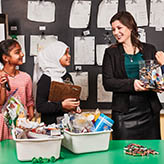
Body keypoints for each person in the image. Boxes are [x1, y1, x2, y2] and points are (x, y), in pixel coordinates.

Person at [102, 11, 162, 140]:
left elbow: (157, 79)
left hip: (149, 111)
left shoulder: (150, 49)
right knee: (123, 155)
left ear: (130, 27)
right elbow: (107, 83)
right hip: (123, 112)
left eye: (119, 28)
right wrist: (132, 84)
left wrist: (162, 66)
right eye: (113, 29)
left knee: (151, 155)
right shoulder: (110, 52)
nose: (116, 33)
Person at [36, 40, 80, 125]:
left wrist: (75, 105)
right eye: (65, 54)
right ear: (55, 56)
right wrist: (62, 105)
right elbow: (40, 107)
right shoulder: (45, 79)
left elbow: (71, 94)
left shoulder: (66, 76)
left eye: (68, 53)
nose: (69, 56)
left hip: (67, 124)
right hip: (50, 126)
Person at [0, 39, 34, 141]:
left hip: (21, 123)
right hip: (3, 124)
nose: (22, 54)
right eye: (17, 52)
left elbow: (29, 100)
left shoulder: (26, 77)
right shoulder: (1, 77)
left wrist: (30, 116)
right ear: (5, 58)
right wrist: (2, 86)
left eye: (21, 51)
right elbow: (1, 102)